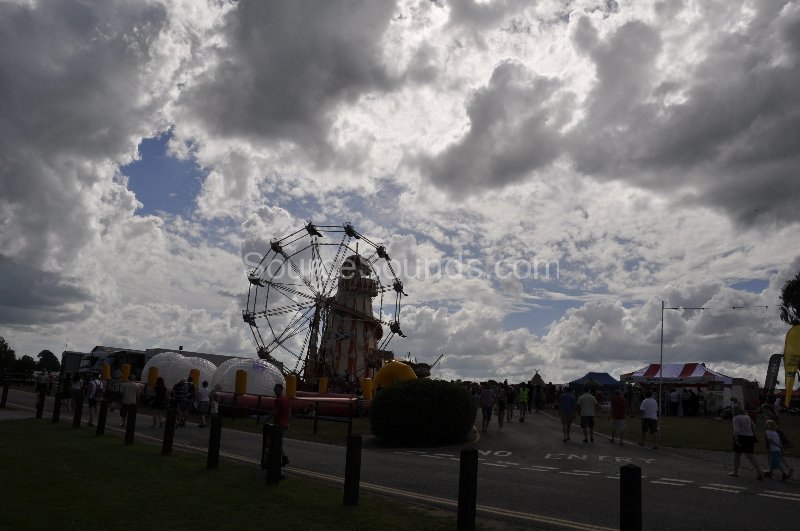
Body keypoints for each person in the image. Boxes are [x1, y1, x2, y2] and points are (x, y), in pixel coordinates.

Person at [728, 404, 762, 479]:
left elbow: (736, 430)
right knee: (751, 456)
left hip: (741, 437)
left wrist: (736, 440)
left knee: (737, 456)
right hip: (749, 437)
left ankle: (735, 472)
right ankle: (759, 472)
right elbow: (753, 426)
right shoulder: (747, 417)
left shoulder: (735, 418)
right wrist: (753, 435)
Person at [272, 383, 291, 468]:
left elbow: (274, 411)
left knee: (275, 442)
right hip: (284, 424)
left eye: (276, 389)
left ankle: (283, 458)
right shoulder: (286, 399)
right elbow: (289, 412)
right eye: (274, 389)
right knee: (278, 441)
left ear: (280, 389)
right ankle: (283, 458)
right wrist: (287, 422)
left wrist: (265, 420)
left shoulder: (279, 399)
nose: (275, 390)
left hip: (278, 424)